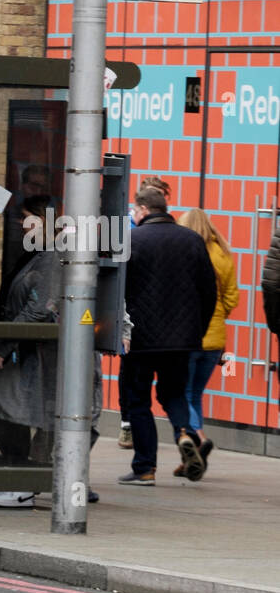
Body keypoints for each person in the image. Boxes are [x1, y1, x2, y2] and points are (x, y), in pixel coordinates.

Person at [118, 185, 216, 486]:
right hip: (182, 340)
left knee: (137, 399)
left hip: (141, 339)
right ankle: (185, 433)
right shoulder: (192, 240)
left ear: (144, 210)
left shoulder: (132, 240)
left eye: (135, 210)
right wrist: (196, 331)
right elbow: (209, 291)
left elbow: (119, 290)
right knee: (173, 393)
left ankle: (144, 468)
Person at [0, 195, 60, 508]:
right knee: (5, 413)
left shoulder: (52, 256)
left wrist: (2, 347)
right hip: (24, 351)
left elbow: (38, 309)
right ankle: (19, 479)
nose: (22, 225)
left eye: (29, 218)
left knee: (6, 412)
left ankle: (23, 483)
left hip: (33, 354)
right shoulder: (38, 254)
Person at [175, 208, 238, 478]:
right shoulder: (222, 253)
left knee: (181, 393)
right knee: (195, 394)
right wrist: (219, 315)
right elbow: (232, 297)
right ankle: (192, 458)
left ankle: (197, 437)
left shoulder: (185, 252)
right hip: (215, 339)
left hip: (188, 335)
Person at [118, 175, 174, 450]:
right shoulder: (129, 230)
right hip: (138, 318)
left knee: (144, 388)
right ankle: (127, 425)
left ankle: (145, 463)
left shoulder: (173, 229)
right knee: (132, 381)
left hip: (158, 320)